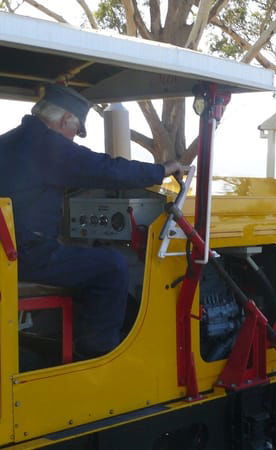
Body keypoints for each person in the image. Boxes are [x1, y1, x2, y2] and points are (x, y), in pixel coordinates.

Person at [0, 84, 182, 358]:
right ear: (64, 120)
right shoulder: (46, 145)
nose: (73, 140)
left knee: (87, 261)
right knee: (111, 266)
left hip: (8, 253)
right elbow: (105, 169)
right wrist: (162, 170)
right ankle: (99, 355)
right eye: (75, 131)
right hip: (27, 257)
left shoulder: (9, 141)